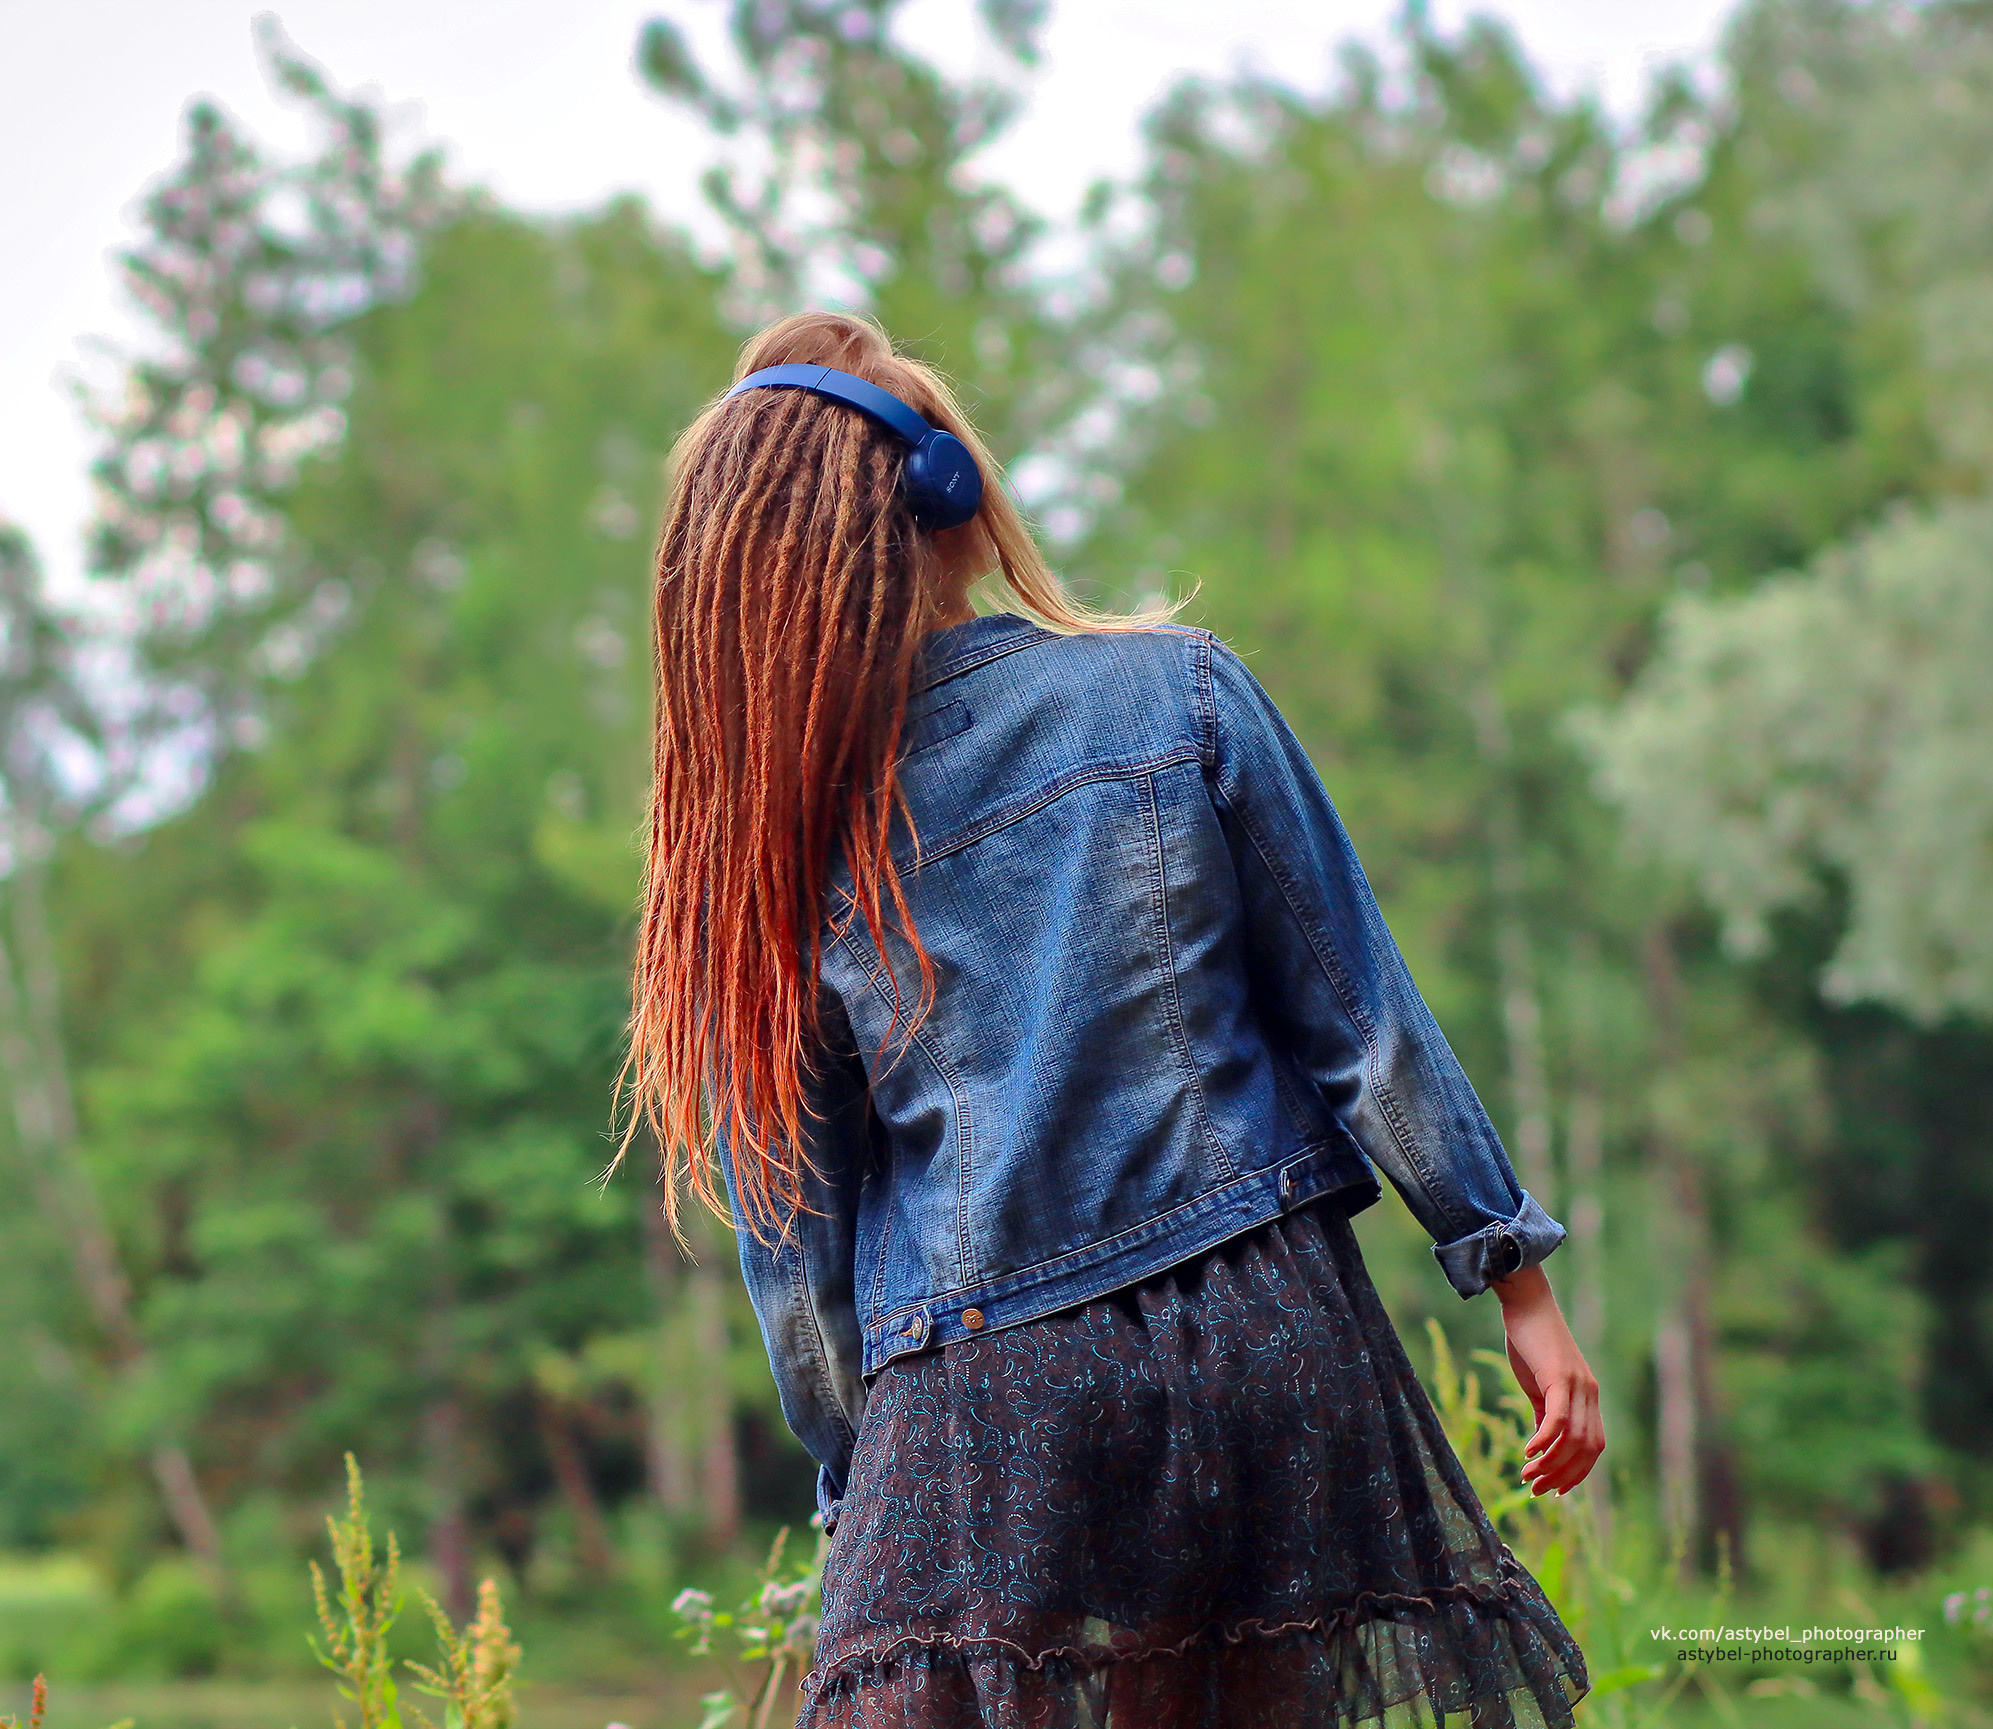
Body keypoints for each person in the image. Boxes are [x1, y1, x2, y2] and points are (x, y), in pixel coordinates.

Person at [622, 310, 1603, 1728]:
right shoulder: (1177, 691)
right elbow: (1363, 1020)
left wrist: (860, 1471)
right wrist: (1512, 1271)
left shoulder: (776, 856)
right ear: (952, 502)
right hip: (1269, 1331)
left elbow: (800, 1245)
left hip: (985, 1399)